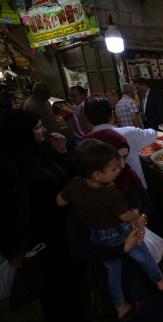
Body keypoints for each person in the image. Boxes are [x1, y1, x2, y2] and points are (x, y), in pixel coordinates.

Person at [56, 139, 163, 319]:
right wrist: (136, 216)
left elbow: (59, 201)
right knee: (142, 254)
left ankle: (120, 306)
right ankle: (160, 280)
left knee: (112, 270)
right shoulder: (111, 194)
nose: (120, 169)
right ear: (97, 174)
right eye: (114, 168)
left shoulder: (74, 185)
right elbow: (125, 216)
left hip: (97, 236)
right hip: (117, 234)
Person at [0, 109, 79, 321]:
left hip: (66, 231)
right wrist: (14, 249)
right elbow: (6, 211)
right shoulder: (9, 167)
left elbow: (69, 177)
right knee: (55, 294)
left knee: (74, 287)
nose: (43, 130)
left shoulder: (44, 150)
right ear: (21, 133)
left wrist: (62, 153)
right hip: (41, 243)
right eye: (37, 128)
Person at [84, 96, 156, 189]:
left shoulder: (85, 142)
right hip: (134, 188)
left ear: (88, 119)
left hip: (104, 194)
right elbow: (153, 134)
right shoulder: (128, 132)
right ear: (112, 114)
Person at [87, 129, 154, 217]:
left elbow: (147, 202)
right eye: (117, 158)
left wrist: (143, 217)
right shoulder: (86, 190)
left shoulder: (127, 172)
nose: (122, 165)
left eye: (124, 157)